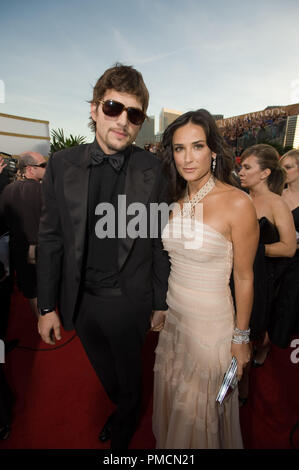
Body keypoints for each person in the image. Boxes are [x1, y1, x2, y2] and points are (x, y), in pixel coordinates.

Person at [37, 64, 170, 449]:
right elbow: (50, 238)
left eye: (134, 114)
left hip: (129, 302)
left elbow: (158, 241)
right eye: (113, 107)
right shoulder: (62, 165)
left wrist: (160, 301)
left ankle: (126, 421)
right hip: (79, 301)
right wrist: (46, 306)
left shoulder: (152, 169)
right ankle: (123, 405)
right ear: (95, 108)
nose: (123, 121)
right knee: (105, 372)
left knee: (130, 377)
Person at [151, 109, 259, 449]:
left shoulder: (237, 203)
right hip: (175, 319)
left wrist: (241, 338)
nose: (187, 157)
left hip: (211, 327)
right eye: (179, 149)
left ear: (213, 150)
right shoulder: (174, 201)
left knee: (201, 411)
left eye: (196, 146)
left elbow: (243, 277)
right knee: (176, 397)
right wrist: (162, 308)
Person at [237, 145, 296, 402]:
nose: (240, 172)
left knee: (249, 334)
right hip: (233, 275)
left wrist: (255, 250)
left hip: (261, 278)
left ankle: (243, 381)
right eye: (241, 166)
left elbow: (288, 247)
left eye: (247, 167)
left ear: (265, 173)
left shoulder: (276, 203)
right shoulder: (238, 198)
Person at [0, 152, 46, 318]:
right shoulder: (45, 191)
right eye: (43, 165)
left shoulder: (7, 190)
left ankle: (40, 321)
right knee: (43, 285)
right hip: (41, 248)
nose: (46, 168)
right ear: (30, 169)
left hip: (17, 248)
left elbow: (3, 219)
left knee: (30, 288)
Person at [268, 149, 299, 347]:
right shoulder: (277, 195)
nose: (284, 171)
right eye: (282, 167)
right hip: (275, 259)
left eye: (288, 167)